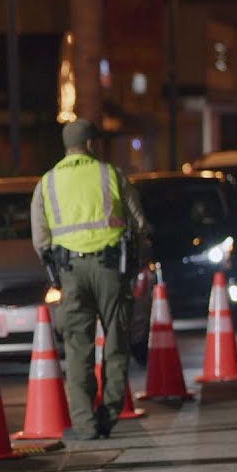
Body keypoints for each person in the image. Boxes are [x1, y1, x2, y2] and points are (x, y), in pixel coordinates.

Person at [31, 119, 150, 440]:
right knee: (116, 343)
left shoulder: (48, 182)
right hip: (111, 269)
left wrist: (56, 272)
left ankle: (84, 424)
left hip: (70, 273)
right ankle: (108, 415)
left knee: (77, 348)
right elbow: (139, 224)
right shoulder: (110, 175)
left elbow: (40, 239)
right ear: (91, 145)